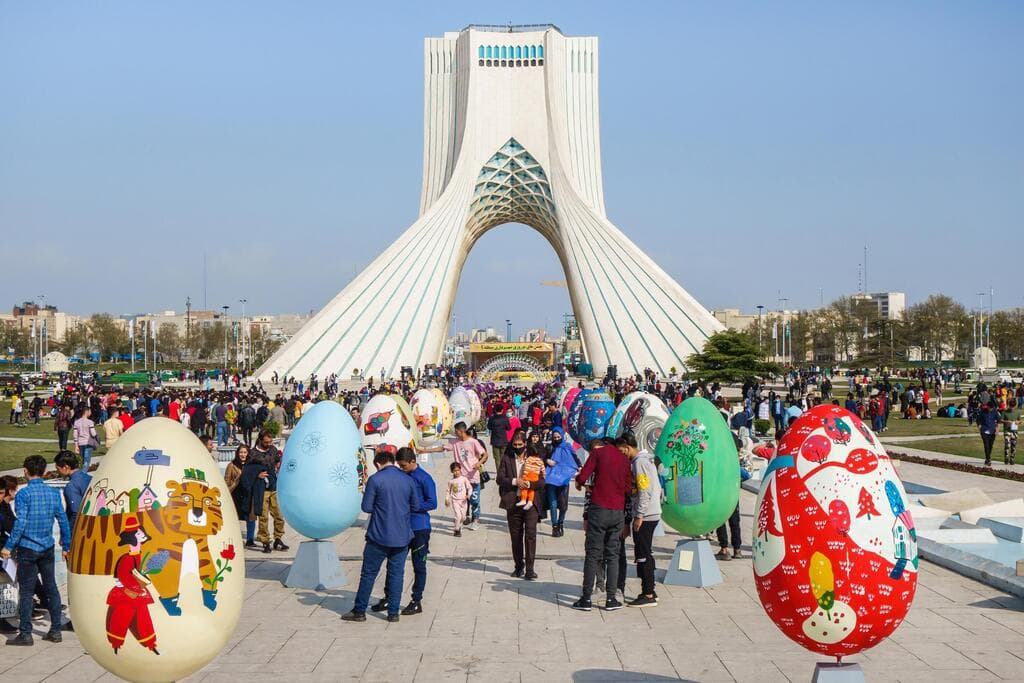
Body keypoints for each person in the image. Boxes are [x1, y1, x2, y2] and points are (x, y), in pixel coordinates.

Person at [342, 449, 422, 623]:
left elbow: (367, 508)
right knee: (396, 574)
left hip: (378, 536)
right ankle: (393, 613)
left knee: (369, 574)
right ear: (392, 461)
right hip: (401, 536)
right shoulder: (408, 480)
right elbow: (416, 506)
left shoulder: (375, 480)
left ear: (378, 464)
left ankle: (360, 610)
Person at [1, 455, 72, 646]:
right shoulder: (53, 493)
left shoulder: (24, 494)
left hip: (27, 548)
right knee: (51, 588)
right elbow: (63, 520)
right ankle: (55, 630)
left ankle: (26, 634)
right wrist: (67, 545)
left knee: (26, 591)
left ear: (25, 471)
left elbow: (21, 522)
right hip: (47, 548)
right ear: (44, 471)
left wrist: (8, 546)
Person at [371, 448, 436, 617]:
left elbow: (432, 502)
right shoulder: (401, 477)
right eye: (399, 466)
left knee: (419, 565)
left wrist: (413, 506)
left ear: (413, 461)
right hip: (401, 527)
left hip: (419, 527)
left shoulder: (425, 479)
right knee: (393, 563)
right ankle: (389, 597)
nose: (401, 468)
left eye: (403, 465)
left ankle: (416, 600)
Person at [572, 437, 632, 612]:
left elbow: (583, 476)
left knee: (593, 554)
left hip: (599, 509)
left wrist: (581, 483)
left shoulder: (598, 453)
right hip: (618, 512)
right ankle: (611, 598)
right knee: (613, 555)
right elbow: (629, 488)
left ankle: (586, 598)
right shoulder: (623, 458)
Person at [617, 432, 661, 607]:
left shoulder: (640, 462)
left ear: (627, 447)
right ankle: (650, 589)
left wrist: (639, 515)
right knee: (645, 552)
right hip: (651, 512)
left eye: (621, 451)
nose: (621, 455)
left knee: (643, 554)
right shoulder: (646, 460)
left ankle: (648, 592)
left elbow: (644, 490)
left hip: (646, 515)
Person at [104, 515, 158, 655]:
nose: (142, 535)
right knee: (122, 617)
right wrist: (137, 586)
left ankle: (150, 643)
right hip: (127, 592)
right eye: (139, 533)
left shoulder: (137, 554)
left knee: (143, 617)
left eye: (141, 533)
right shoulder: (127, 558)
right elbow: (124, 576)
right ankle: (116, 643)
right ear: (133, 537)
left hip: (137, 590)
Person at [420, 422, 484, 530]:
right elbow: (441, 448)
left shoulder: (474, 442)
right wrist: (424, 450)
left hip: (473, 477)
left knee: (474, 499)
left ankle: (476, 519)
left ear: (460, 431)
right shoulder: (455, 443)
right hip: (461, 478)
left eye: (456, 431)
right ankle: (464, 517)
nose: (455, 433)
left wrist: (479, 463)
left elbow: (485, 455)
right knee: (462, 499)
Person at [498, 436, 544, 580]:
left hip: (531, 502)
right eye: (515, 444)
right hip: (514, 501)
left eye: (520, 444)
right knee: (516, 536)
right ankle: (519, 566)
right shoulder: (507, 459)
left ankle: (530, 569)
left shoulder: (534, 458)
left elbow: (542, 481)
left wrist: (530, 485)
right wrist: (515, 481)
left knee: (530, 535)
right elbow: (500, 478)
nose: (517, 447)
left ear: (525, 444)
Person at [250, 431, 288, 552]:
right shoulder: (253, 453)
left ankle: (278, 538)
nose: (268, 444)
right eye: (266, 442)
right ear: (260, 440)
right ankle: (265, 541)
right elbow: (248, 470)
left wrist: (278, 465)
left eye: (270, 442)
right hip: (262, 489)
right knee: (263, 516)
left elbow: (277, 459)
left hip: (273, 486)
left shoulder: (272, 449)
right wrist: (257, 474)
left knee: (279, 514)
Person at [544, 427, 577, 537]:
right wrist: (547, 460)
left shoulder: (568, 447)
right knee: (553, 504)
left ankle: (561, 522)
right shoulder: (549, 447)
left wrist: (579, 468)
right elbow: (542, 458)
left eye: (559, 437)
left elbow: (576, 459)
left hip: (563, 480)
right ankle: (554, 526)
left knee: (563, 505)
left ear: (562, 436)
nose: (557, 439)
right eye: (555, 437)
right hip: (551, 479)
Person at [225, 445, 257, 546]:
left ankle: (250, 539)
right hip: (236, 494)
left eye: (245, 452)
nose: (242, 455)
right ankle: (235, 538)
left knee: (251, 517)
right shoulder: (231, 465)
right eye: (241, 452)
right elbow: (226, 480)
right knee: (235, 517)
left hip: (248, 494)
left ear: (248, 454)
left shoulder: (251, 465)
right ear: (237, 453)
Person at [54, 451, 91, 531]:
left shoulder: (71, 486)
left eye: (58, 469)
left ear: (66, 467)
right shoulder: (89, 478)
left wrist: (68, 532)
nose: (58, 472)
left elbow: (75, 513)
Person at [444, 463, 471, 537]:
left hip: (464, 501)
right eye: (455, 471)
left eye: (458, 470)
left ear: (460, 470)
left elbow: (469, 488)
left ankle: (458, 524)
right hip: (455, 501)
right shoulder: (451, 481)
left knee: (463, 517)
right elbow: (448, 491)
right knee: (458, 516)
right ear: (452, 472)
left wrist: (468, 495)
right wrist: (447, 499)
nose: (457, 472)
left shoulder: (464, 479)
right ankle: (457, 530)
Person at [72, 406, 99, 472]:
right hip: (88, 443)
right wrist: (97, 437)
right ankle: (83, 474)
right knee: (87, 460)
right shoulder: (90, 422)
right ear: (86, 412)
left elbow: (75, 435)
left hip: (80, 443)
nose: (90, 413)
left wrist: (76, 445)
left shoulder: (77, 422)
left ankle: (81, 472)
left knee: (82, 461)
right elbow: (93, 433)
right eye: (90, 411)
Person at [978, 400, 1001, 467]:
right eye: (989, 408)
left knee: (990, 445)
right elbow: (978, 421)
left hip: (992, 431)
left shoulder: (995, 412)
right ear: (987, 406)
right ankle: (988, 459)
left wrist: (997, 430)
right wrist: (980, 429)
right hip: (984, 430)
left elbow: (999, 421)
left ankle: (987, 458)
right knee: (986, 445)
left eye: (992, 408)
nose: (990, 409)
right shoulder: (982, 411)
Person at [1002, 399, 1019, 465]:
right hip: (1007, 431)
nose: (1011, 408)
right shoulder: (1004, 412)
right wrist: (1007, 422)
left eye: (1013, 406)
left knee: (1013, 446)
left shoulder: (1017, 412)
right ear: (1009, 405)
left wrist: (1018, 422)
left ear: (1015, 406)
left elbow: (1020, 420)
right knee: (1007, 445)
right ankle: (1006, 458)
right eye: (1010, 406)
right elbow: (1001, 420)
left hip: (1014, 431)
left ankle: (1012, 459)